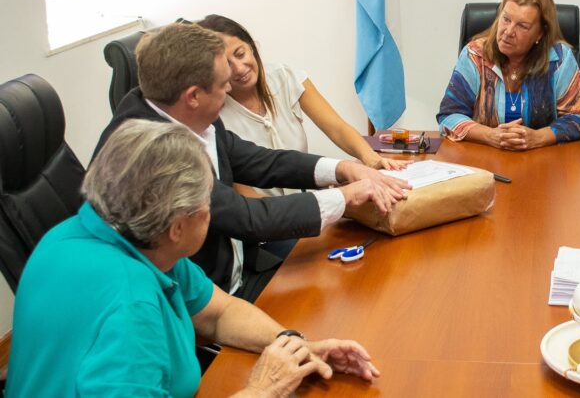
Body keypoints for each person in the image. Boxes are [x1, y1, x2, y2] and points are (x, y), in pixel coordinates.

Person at [7, 120, 380, 397]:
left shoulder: (109, 237)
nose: (213, 211)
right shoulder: (131, 309)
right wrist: (261, 389)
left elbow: (219, 314)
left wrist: (295, 344)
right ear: (176, 227)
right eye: (207, 203)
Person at [93, 23, 411, 302]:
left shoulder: (186, 111)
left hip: (239, 270)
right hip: (205, 299)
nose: (230, 89)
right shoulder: (153, 150)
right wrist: (345, 196)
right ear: (193, 96)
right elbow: (245, 217)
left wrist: (343, 168)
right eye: (222, 85)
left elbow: (262, 162)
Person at [196, 14, 409, 198]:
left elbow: (337, 128)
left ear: (252, 46)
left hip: (305, 206)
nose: (239, 68)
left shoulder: (284, 77)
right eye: (226, 64)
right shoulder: (214, 114)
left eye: (240, 54)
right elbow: (245, 199)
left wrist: (371, 160)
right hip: (266, 221)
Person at [437, 0, 580, 151]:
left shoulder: (559, 59)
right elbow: (449, 115)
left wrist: (539, 137)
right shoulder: (475, 55)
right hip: (484, 159)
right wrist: (490, 136)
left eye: (522, 26)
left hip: (543, 161)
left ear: (540, 34)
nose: (508, 31)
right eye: (506, 19)